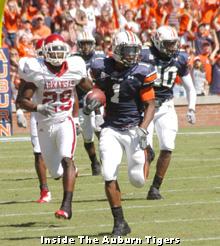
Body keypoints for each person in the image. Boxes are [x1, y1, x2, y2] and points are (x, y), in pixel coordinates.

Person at [84, 30, 156, 236]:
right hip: (111, 128)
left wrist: (143, 128)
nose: (133, 55)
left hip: (134, 127)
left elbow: (150, 104)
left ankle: (147, 154)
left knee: (138, 181)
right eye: (128, 50)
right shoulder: (101, 67)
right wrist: (92, 101)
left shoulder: (142, 71)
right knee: (108, 173)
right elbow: (97, 90)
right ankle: (120, 223)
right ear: (116, 50)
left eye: (135, 50)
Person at [17, 33, 93, 219]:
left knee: (67, 159)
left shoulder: (75, 67)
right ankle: (67, 174)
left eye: (61, 52)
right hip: (44, 123)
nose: (58, 56)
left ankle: (66, 206)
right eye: (54, 52)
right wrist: (38, 107)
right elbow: (21, 100)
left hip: (64, 120)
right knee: (55, 171)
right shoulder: (36, 69)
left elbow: (90, 88)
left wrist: (96, 98)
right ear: (45, 52)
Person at [141, 25, 197, 200]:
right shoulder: (144, 55)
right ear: (157, 42)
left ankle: (155, 188)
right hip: (146, 106)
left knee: (168, 146)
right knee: (146, 149)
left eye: (174, 43)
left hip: (166, 106)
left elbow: (190, 88)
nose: (173, 47)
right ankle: (142, 172)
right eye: (168, 44)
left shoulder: (179, 58)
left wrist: (191, 108)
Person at [75, 30, 105, 176]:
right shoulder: (73, 59)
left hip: (98, 99)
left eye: (88, 43)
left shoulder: (101, 57)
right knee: (87, 136)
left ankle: (105, 156)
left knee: (101, 129)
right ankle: (94, 161)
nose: (86, 46)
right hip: (81, 102)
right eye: (83, 43)